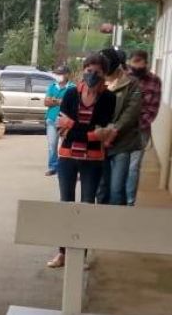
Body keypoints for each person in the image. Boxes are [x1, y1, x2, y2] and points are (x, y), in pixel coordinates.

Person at [46, 53, 116, 268]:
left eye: (97, 71)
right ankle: (62, 253)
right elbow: (61, 128)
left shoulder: (108, 98)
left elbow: (102, 130)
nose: (92, 74)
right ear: (83, 70)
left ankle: (82, 255)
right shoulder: (70, 94)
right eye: (88, 70)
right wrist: (91, 134)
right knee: (65, 204)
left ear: (105, 74)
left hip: (93, 159)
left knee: (86, 206)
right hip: (67, 157)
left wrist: (74, 127)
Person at [96, 48, 142, 206]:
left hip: (122, 143)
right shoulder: (96, 82)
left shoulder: (131, 83)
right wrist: (101, 133)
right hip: (99, 142)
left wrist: (114, 131)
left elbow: (131, 112)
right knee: (101, 188)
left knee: (116, 189)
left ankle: (118, 218)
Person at [126, 49, 163, 205]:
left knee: (133, 167)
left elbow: (152, 109)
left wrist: (137, 125)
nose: (137, 66)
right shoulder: (124, 77)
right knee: (119, 165)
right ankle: (116, 200)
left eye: (140, 62)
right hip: (120, 130)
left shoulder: (154, 81)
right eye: (134, 62)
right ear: (129, 62)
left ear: (146, 63)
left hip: (141, 130)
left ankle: (129, 202)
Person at [44, 64, 74, 176]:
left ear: (67, 75)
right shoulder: (52, 86)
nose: (58, 76)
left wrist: (54, 100)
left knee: (65, 145)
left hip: (65, 120)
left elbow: (70, 103)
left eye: (61, 74)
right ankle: (53, 167)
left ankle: (64, 167)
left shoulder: (72, 88)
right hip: (51, 119)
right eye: (57, 74)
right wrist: (60, 101)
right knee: (52, 145)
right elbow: (46, 102)